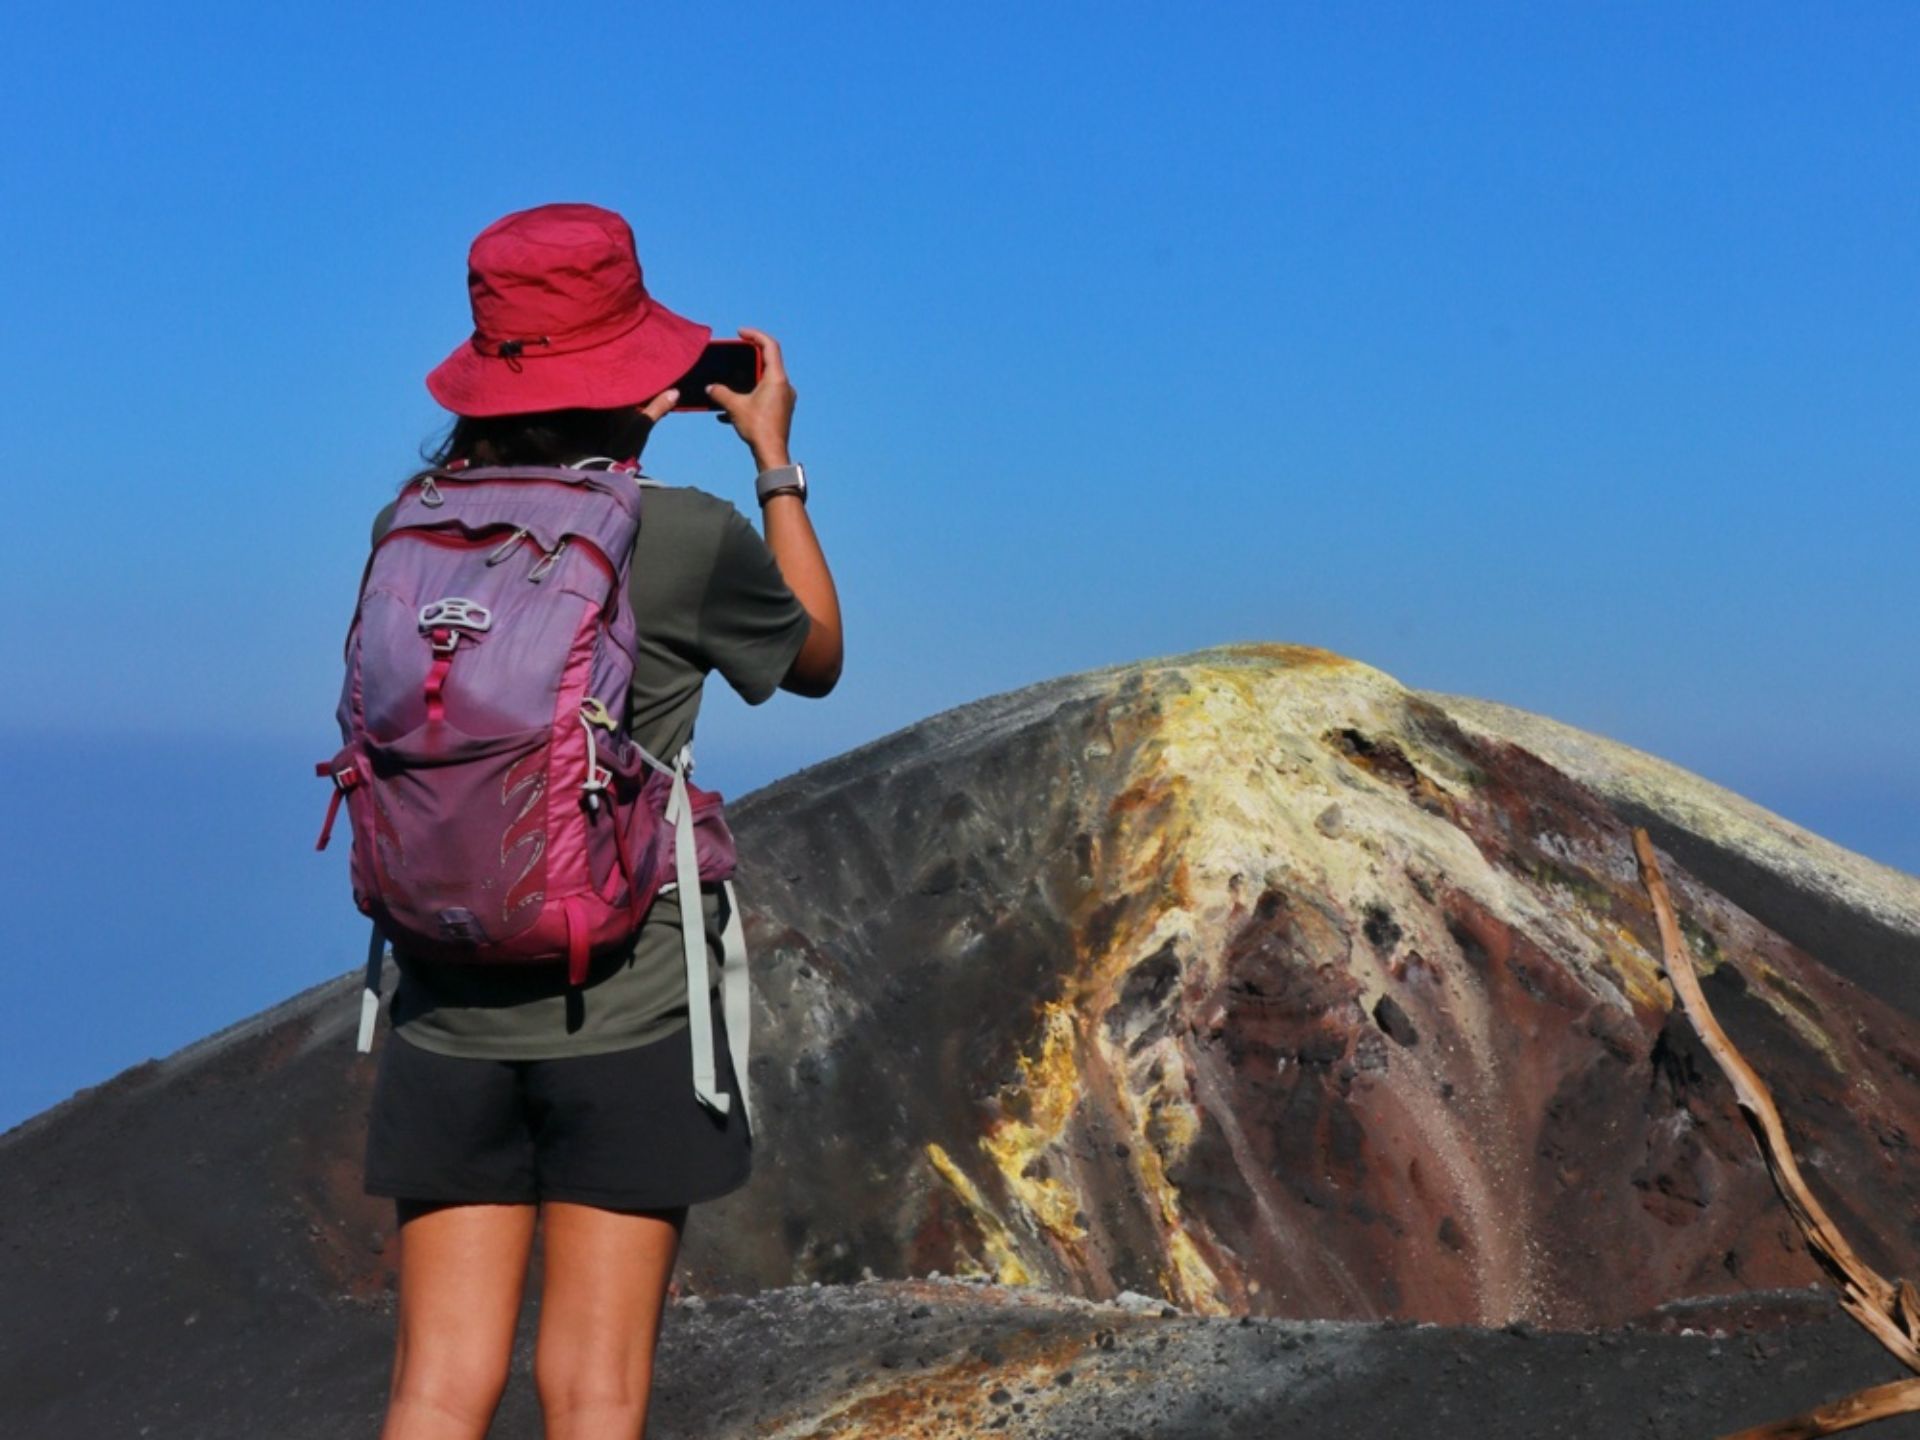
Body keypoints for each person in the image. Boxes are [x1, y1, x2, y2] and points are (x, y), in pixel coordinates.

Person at [356, 202, 842, 1440]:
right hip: (624, 1001)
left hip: (439, 991)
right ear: (645, 373)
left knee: (432, 1390)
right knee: (594, 1395)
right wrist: (772, 458)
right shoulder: (680, 535)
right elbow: (816, 657)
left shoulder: (410, 524)